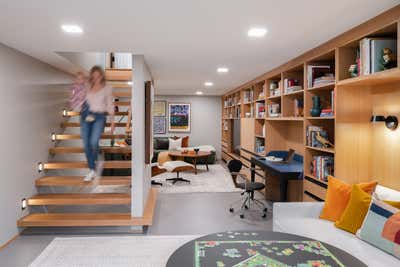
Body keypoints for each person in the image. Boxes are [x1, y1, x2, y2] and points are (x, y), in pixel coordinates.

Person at [81, 66, 115, 181]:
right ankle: (92, 169)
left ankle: (96, 160)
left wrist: (112, 122)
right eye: (94, 76)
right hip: (86, 115)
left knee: (94, 142)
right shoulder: (87, 86)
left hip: (99, 117)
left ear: (102, 76)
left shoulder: (107, 88)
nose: (96, 78)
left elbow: (110, 105)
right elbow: (79, 98)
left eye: (98, 76)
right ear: (91, 76)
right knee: (86, 144)